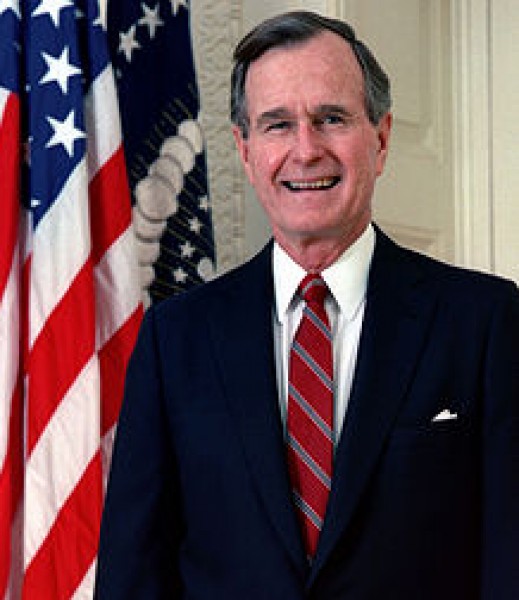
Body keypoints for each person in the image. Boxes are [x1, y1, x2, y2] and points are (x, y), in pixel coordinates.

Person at [94, 10, 519, 599]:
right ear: (245, 150)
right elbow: (133, 577)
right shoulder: (175, 338)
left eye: (331, 118)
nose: (306, 150)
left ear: (381, 139)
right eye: (277, 124)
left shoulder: (485, 322)